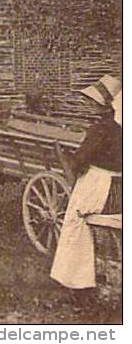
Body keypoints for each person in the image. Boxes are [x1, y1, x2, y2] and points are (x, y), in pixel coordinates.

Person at [51, 75, 122, 290]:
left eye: (92, 102)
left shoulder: (100, 129)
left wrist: (66, 159)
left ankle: (75, 279)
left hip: (97, 184)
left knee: (75, 221)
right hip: (117, 186)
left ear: (103, 105)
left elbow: (80, 161)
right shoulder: (119, 128)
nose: (89, 105)